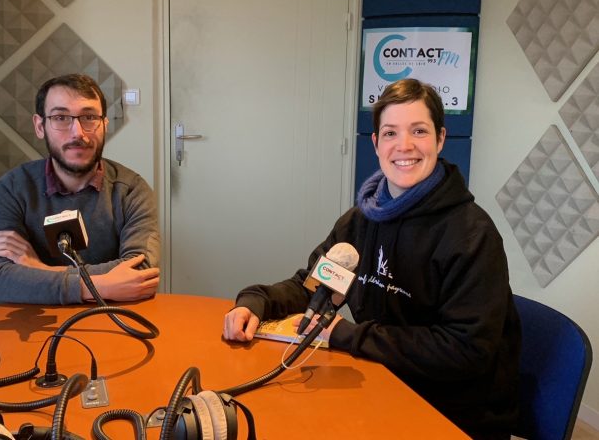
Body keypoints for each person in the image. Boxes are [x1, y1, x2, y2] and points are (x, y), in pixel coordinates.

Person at [223, 78, 520, 439]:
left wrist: (348, 336)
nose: (404, 145)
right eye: (391, 133)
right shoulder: (361, 221)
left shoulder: (473, 235)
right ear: (377, 143)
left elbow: (465, 350)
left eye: (419, 131)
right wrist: (258, 301)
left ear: (440, 139)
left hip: (454, 413)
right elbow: (313, 286)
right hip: (382, 383)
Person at [0, 73, 160, 305]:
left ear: (104, 125)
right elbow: (2, 280)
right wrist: (101, 285)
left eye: (89, 117)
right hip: (29, 318)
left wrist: (38, 268)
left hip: (109, 317)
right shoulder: (11, 189)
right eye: (61, 118)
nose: (78, 132)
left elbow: (140, 271)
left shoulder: (131, 190)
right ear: (40, 126)